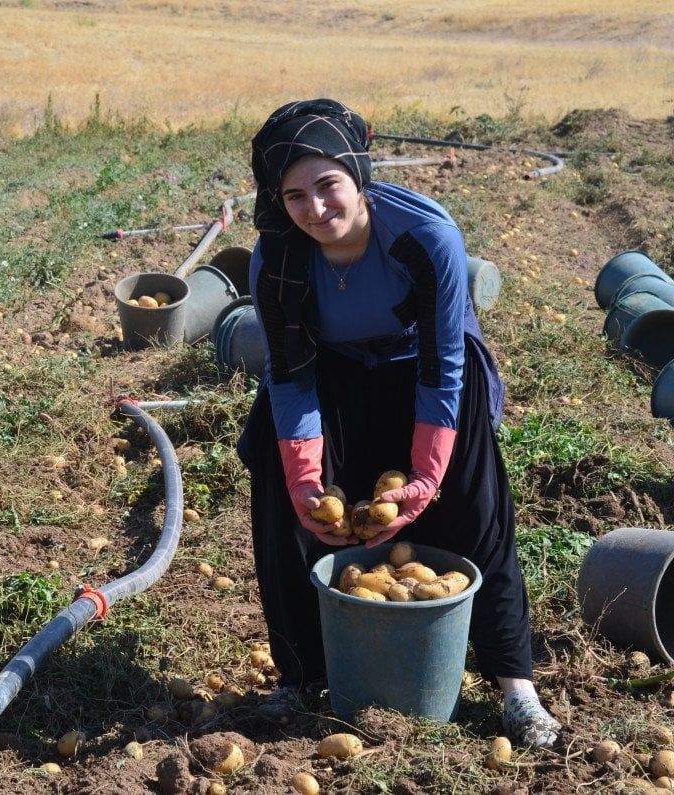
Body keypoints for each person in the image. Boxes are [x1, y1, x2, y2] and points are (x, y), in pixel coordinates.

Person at [237, 99, 561, 748]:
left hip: (427, 370)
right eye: (294, 195)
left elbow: (445, 364)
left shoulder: (424, 235)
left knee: (475, 504)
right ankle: (299, 678)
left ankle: (515, 686)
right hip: (332, 373)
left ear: (359, 173)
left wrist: (426, 473)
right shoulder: (276, 260)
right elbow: (292, 375)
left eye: (328, 185)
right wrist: (305, 479)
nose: (316, 209)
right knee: (278, 488)